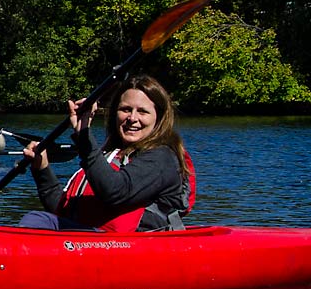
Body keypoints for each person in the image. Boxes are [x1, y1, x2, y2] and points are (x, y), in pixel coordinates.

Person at [18, 75, 191, 232]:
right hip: (94, 243)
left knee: (36, 220)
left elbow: (114, 192)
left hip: (132, 249)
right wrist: (42, 169)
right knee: (38, 220)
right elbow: (63, 210)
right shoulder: (110, 156)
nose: (132, 118)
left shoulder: (162, 158)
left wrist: (84, 134)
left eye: (142, 111)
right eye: (125, 109)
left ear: (159, 118)